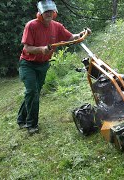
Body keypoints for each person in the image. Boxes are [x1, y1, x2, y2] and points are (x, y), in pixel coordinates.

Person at [17, 0, 90, 135]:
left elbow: (70, 37)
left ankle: (21, 119)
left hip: (43, 65)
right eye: (45, 12)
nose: (48, 14)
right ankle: (31, 125)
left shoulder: (56, 26)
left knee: (34, 92)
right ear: (40, 13)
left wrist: (80, 35)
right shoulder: (31, 26)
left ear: (54, 12)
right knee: (32, 92)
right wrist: (42, 49)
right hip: (28, 64)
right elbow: (27, 48)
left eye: (51, 11)